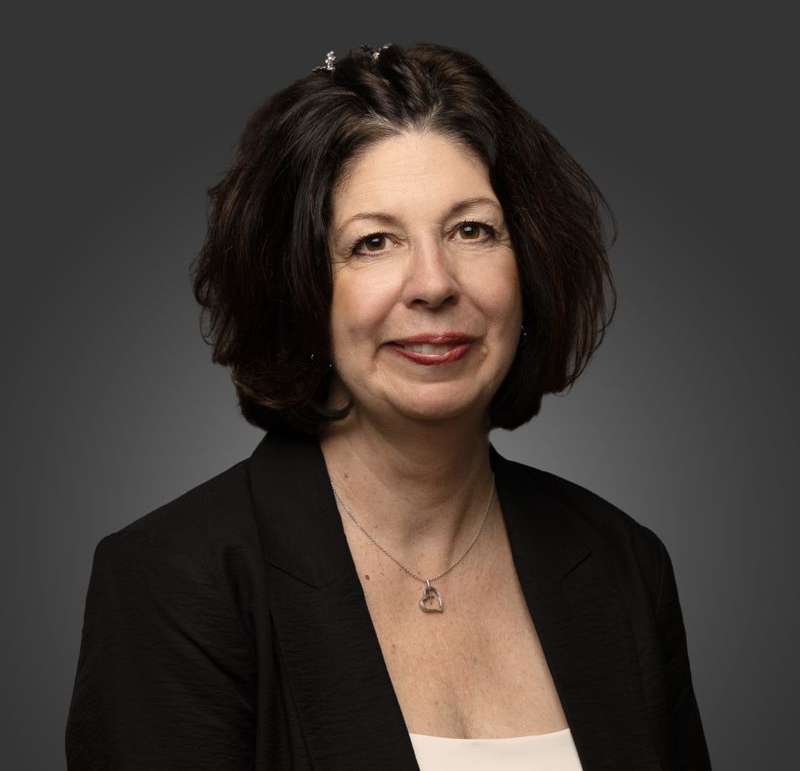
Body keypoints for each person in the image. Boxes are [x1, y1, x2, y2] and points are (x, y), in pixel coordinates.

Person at [65, 42, 712, 770]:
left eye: (472, 230)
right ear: (299, 288)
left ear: (528, 265)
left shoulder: (624, 563)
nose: (433, 284)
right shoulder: (172, 580)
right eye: (373, 242)